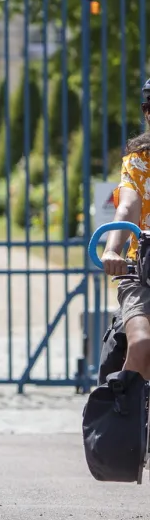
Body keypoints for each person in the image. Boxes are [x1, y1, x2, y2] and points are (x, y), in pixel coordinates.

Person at [101, 78, 150, 378]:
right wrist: (111, 249)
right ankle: (127, 414)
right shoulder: (138, 162)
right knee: (142, 343)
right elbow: (128, 206)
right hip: (143, 272)